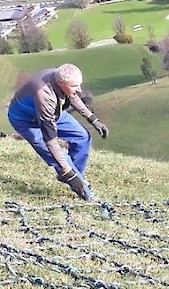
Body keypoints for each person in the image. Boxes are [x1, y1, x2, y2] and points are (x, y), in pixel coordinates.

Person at [7, 64, 109, 201]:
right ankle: (86, 192)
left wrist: (93, 119)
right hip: (26, 120)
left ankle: (76, 178)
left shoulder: (59, 77)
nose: (79, 90)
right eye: (75, 86)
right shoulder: (44, 94)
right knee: (60, 157)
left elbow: (72, 96)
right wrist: (68, 172)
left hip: (53, 112)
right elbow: (50, 141)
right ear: (61, 82)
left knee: (83, 136)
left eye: (79, 85)